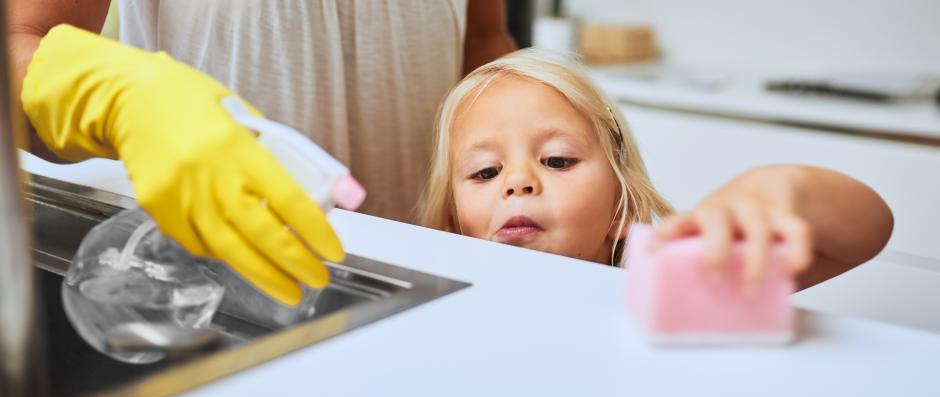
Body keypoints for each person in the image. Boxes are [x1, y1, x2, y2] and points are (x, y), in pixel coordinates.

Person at [8, 1, 516, 305]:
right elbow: (18, 41)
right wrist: (114, 97)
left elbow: (482, 38)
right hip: (219, 299)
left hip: (438, 285)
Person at [418, 49, 894, 290]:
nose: (518, 182)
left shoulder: (664, 278)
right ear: (453, 225)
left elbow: (869, 230)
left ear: (619, 208)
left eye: (557, 160)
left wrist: (772, 189)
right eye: (485, 172)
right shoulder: (443, 298)